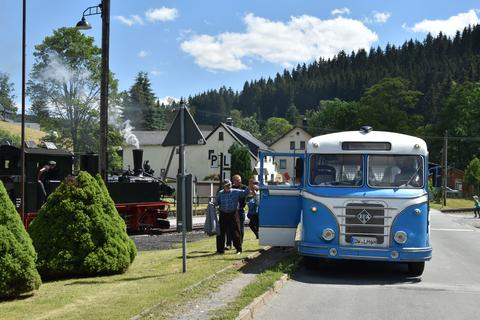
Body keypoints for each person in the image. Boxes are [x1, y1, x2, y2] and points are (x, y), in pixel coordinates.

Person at [216, 179, 250, 254]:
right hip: (223, 214)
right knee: (220, 233)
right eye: (227, 185)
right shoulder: (220, 193)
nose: (229, 186)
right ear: (223, 186)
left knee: (235, 232)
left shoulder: (236, 192)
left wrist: (249, 186)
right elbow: (217, 202)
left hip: (233, 214)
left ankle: (239, 249)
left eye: (229, 185)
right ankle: (220, 250)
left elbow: (245, 193)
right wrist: (213, 204)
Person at [232, 174, 249, 242]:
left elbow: (246, 193)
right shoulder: (231, 187)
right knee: (232, 227)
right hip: (232, 210)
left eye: (240, 180)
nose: (239, 181)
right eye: (237, 180)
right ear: (233, 181)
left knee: (241, 227)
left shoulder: (244, 187)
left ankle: (240, 241)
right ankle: (231, 242)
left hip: (240, 210)